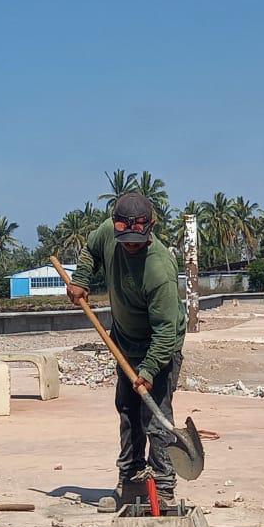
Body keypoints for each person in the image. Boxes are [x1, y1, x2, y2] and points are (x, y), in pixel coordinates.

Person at [66, 192, 187, 504]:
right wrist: (81, 279)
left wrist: (147, 371)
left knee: (156, 416)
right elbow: (91, 250)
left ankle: (162, 488)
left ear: (150, 228)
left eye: (137, 240)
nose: (130, 244)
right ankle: (132, 479)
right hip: (124, 340)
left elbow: (165, 331)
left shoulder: (159, 270)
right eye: (126, 239)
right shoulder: (108, 231)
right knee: (128, 411)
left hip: (159, 346)